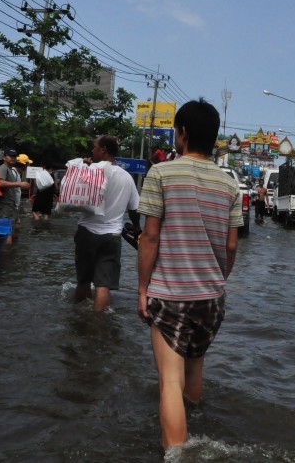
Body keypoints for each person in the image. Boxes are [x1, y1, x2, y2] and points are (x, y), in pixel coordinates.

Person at [136, 99, 242, 450]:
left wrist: (141, 289)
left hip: (170, 295)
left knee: (169, 381)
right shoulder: (229, 186)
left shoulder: (162, 173)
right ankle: (193, 435)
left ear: (181, 133)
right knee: (194, 371)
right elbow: (230, 248)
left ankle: (178, 455)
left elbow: (149, 236)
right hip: (211, 299)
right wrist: (217, 281)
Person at [73, 135, 141, 312]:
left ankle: (79, 320)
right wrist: (137, 227)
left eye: (94, 147)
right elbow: (134, 209)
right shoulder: (127, 178)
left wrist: (82, 166)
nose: (92, 150)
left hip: (87, 232)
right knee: (103, 286)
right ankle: (99, 325)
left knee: (84, 281)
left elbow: (71, 195)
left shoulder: (89, 170)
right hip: (112, 236)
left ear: (103, 150)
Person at [0, 149, 30, 244]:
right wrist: (19, 184)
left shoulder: (9, 169)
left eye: (14, 156)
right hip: (4, 205)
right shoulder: (3, 168)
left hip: (10, 205)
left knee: (12, 228)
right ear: (4, 157)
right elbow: (0, 183)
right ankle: (7, 254)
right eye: (10, 156)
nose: (13, 158)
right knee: (7, 232)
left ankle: (10, 252)